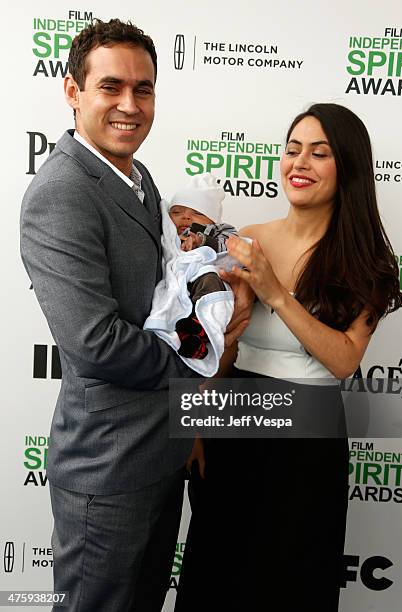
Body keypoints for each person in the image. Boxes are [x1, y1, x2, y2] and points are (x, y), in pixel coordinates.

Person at [20, 19, 251, 612]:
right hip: (108, 467)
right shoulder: (61, 192)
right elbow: (95, 343)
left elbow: (162, 298)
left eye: (143, 89)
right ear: (73, 92)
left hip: (158, 457)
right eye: (111, 87)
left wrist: (211, 293)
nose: (130, 105)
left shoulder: (139, 176)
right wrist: (203, 361)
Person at [175, 103, 402, 612]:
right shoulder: (245, 239)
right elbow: (215, 347)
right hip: (234, 418)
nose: (299, 163)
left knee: (291, 581)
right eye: (293, 149)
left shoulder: (368, 261)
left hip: (308, 436)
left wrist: (277, 293)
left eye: (319, 153)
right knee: (215, 576)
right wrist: (194, 424)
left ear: (347, 166)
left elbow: (344, 359)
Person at [169, 172, 239, 359]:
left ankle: (202, 328)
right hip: (177, 284)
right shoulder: (167, 234)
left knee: (209, 275)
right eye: (177, 212)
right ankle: (186, 336)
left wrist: (203, 241)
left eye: (198, 213)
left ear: (213, 220)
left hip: (205, 281)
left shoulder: (220, 231)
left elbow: (233, 245)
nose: (186, 217)